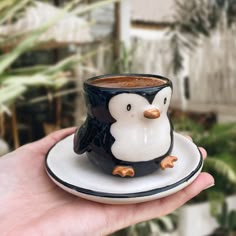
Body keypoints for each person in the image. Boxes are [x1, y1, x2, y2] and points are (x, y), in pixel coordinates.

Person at [0, 127, 214, 236]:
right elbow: (79, 144)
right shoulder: (99, 127)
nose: (153, 111)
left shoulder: (162, 127)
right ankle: (120, 165)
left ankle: (157, 160)